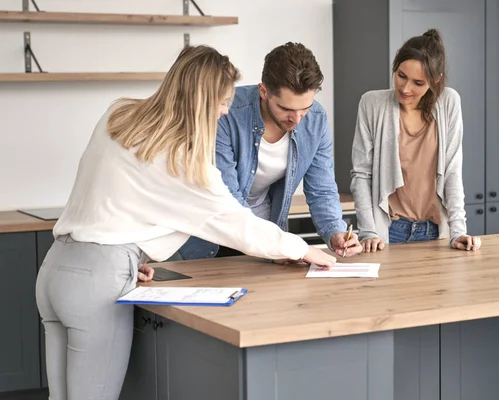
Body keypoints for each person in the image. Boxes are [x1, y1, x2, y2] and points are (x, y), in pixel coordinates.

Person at [35, 45, 337, 400]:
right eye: (223, 101)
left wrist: (134, 256)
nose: (226, 110)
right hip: (98, 283)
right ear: (203, 100)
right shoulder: (185, 162)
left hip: (56, 270)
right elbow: (238, 223)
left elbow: (115, 200)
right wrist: (304, 249)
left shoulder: (118, 114)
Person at [178, 42, 362, 261]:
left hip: (265, 235)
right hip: (213, 236)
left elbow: (321, 189)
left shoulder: (316, 120)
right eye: (286, 109)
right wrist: (281, 246)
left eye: (305, 108)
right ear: (263, 91)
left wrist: (335, 231)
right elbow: (228, 199)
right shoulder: (225, 112)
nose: (296, 119)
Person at [350, 29, 482, 253]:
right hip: (389, 231)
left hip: (436, 231)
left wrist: (458, 230)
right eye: (401, 75)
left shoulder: (449, 102)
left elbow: (452, 171)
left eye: (418, 82)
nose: (405, 88)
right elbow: (361, 174)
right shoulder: (371, 104)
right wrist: (368, 232)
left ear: (435, 80)